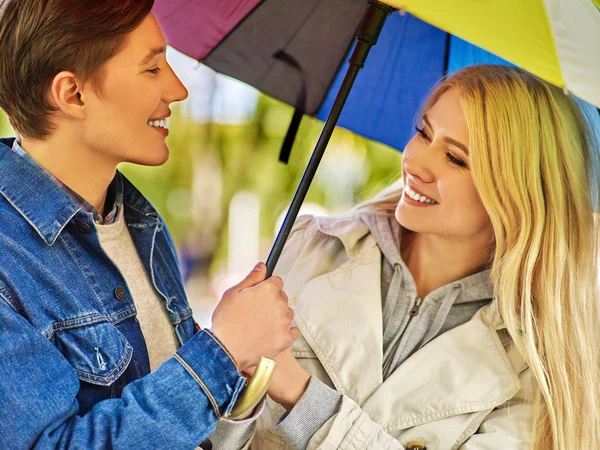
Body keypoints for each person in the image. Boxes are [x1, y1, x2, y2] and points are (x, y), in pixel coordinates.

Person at [211, 65, 600, 450]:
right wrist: (228, 372)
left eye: (455, 158)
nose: (414, 163)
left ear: (519, 197)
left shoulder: (537, 368)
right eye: (423, 133)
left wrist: (299, 393)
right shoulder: (310, 246)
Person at [0, 1, 299, 448]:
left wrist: (238, 370)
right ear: (72, 94)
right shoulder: (7, 260)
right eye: (152, 68)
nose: (177, 89)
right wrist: (222, 352)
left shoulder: (141, 225)